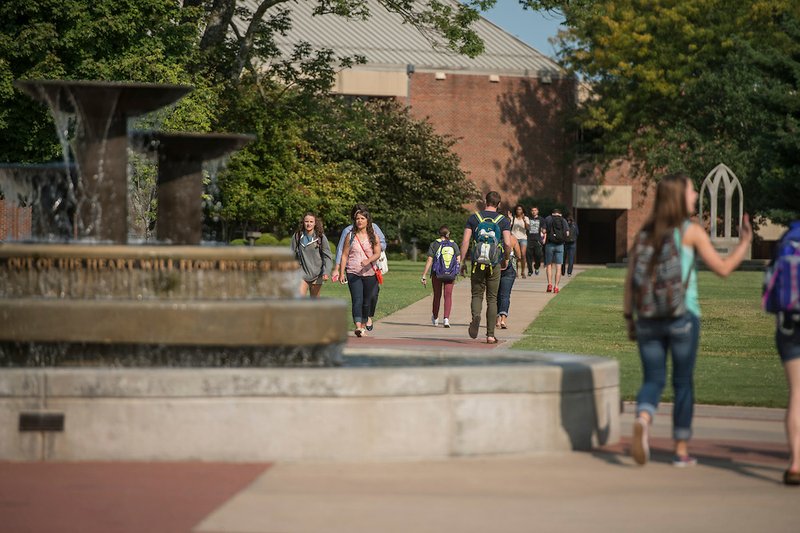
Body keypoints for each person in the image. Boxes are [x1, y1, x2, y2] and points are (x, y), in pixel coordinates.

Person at [623, 172, 752, 467]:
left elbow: (630, 280)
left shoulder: (644, 232)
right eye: (692, 191)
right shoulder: (690, 231)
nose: (695, 196)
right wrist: (744, 243)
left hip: (647, 317)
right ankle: (681, 450)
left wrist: (630, 317)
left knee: (653, 379)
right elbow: (722, 269)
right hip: (684, 317)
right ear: (680, 197)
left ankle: (643, 418)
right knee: (682, 382)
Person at [764, 221, 800, 485]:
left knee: (797, 394)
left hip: (789, 325)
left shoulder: (788, 237)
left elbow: (769, 285)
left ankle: (796, 463)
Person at [459, 191, 512, 344]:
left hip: (477, 263)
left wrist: (462, 261)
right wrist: (506, 259)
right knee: (492, 299)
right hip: (494, 263)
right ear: (499, 204)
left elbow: (465, 242)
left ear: (485, 201)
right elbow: (508, 243)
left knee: (477, 295)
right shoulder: (503, 220)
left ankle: (476, 316)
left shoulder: (474, 218)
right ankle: (490, 335)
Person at [333, 204, 386, 331]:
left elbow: (379, 250)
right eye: (357, 218)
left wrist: (368, 260)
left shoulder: (374, 233)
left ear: (368, 220)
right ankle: (358, 326)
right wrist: (340, 271)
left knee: (368, 300)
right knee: (357, 299)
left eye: (362, 218)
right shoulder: (349, 234)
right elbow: (343, 253)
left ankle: (365, 320)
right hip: (353, 272)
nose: (360, 221)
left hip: (370, 272)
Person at [420, 225, 461, 328]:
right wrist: (455, 271)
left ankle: (435, 318)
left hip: (436, 274)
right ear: (448, 234)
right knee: (448, 296)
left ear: (439, 234)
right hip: (450, 274)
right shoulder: (453, 244)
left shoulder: (434, 244)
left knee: (437, 296)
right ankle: (446, 319)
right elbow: (458, 259)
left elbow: (430, 260)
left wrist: (424, 275)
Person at [290, 212, 333, 298]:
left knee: (314, 303)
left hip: (317, 275)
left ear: (315, 223)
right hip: (302, 274)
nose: (308, 224)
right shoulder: (297, 236)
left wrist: (326, 272)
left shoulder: (320, 237)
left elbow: (327, 256)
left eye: (311, 221)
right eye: (306, 221)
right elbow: (291, 254)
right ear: (303, 222)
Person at [496, 233, 522, 330]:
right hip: (510, 268)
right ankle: (503, 319)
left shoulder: (495, 237)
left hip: (496, 267)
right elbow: (519, 255)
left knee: (496, 294)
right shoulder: (512, 239)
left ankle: (497, 319)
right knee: (505, 295)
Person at [543, 208, 567, 293]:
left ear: (552, 213)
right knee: (558, 267)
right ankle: (556, 287)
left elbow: (544, 230)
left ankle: (549, 284)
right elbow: (567, 233)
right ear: (559, 213)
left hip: (549, 244)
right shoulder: (563, 220)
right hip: (560, 245)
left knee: (549, 265)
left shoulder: (548, 219)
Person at [510, 204, 530, 278]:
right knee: (516, 256)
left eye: (520, 209)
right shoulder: (513, 218)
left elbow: (528, 228)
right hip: (514, 238)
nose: (519, 211)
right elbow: (509, 227)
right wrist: (509, 219)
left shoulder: (526, 218)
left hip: (523, 238)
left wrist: (524, 220)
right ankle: (516, 272)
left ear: (522, 210)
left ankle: (523, 271)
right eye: (517, 209)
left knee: (523, 254)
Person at [526, 206, 544, 276]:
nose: (534, 212)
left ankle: (537, 266)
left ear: (537, 211)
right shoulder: (528, 219)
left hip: (537, 240)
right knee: (528, 256)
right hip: (529, 239)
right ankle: (530, 270)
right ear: (531, 212)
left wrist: (544, 235)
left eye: (535, 210)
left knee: (538, 255)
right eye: (532, 210)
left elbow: (544, 228)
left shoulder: (541, 219)